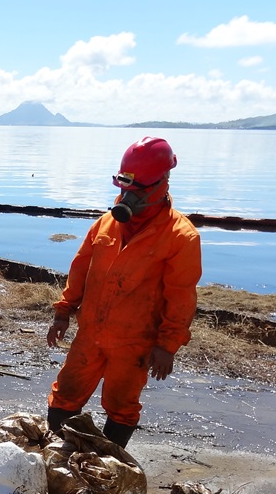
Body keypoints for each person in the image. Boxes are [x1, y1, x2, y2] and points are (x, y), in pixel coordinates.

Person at [46, 137, 202, 448]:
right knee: (63, 400)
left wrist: (167, 345)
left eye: (136, 190)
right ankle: (61, 461)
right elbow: (80, 270)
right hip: (90, 333)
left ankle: (108, 467)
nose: (127, 196)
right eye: (124, 186)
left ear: (162, 183)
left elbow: (181, 296)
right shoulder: (106, 224)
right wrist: (63, 311)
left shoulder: (180, 237)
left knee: (121, 407)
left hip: (134, 343)